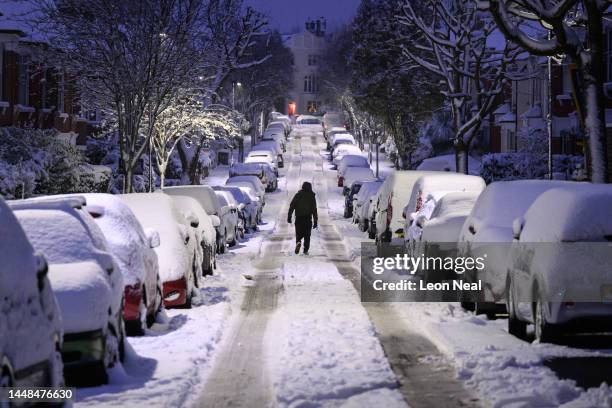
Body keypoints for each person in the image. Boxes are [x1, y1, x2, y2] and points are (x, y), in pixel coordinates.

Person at [287, 181, 318, 255]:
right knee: (307, 235)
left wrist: (289, 216)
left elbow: (292, 206)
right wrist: (315, 221)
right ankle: (305, 250)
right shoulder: (311, 196)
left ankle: (298, 242)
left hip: (299, 218)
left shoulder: (298, 195)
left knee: (298, 233)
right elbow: (314, 209)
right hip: (307, 219)